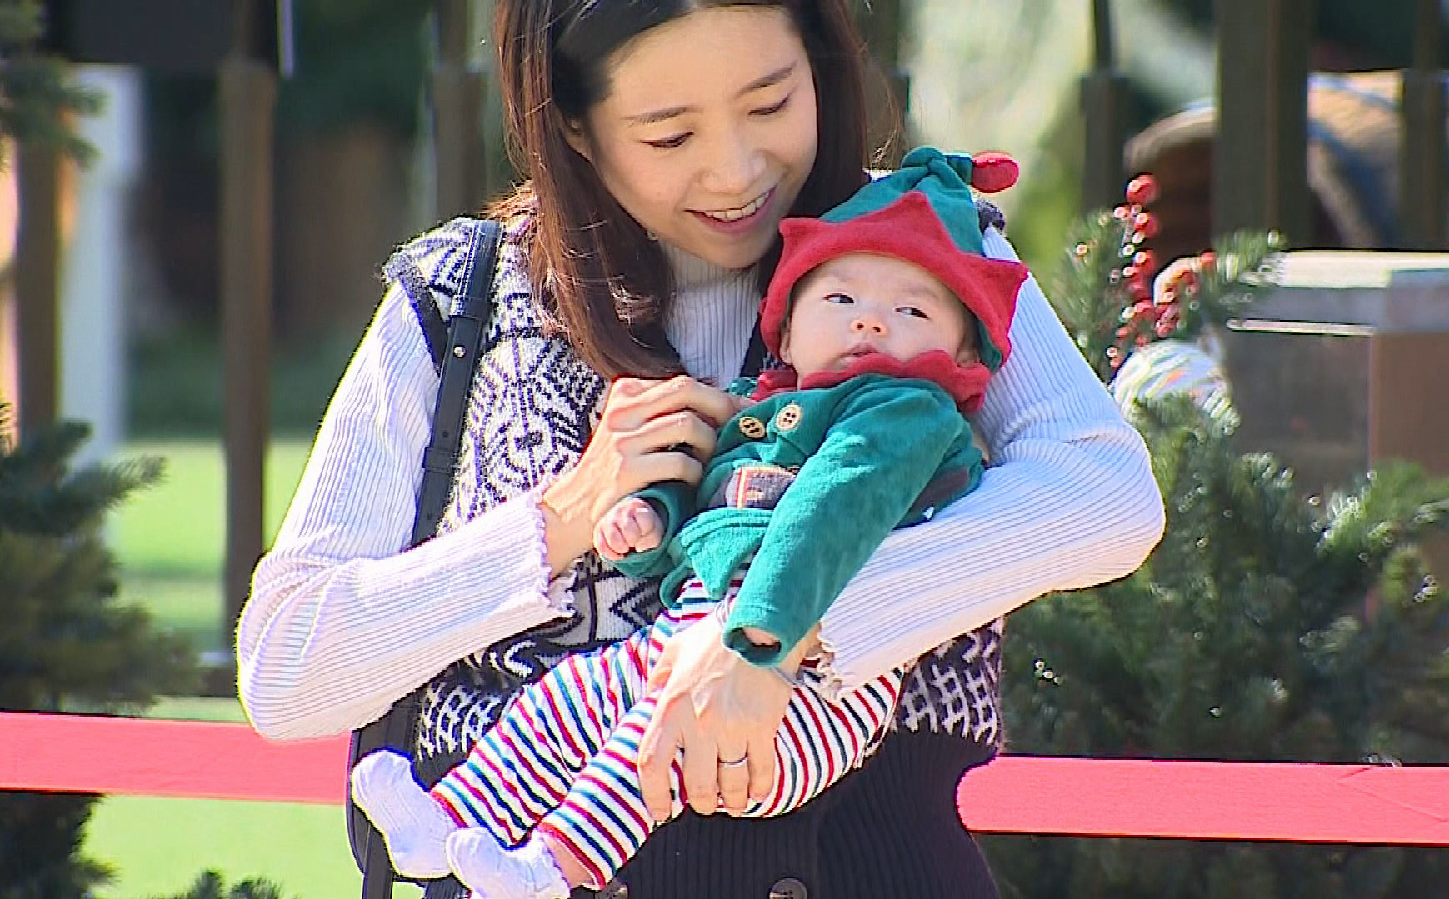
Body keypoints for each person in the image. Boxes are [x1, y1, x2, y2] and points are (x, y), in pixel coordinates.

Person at [236, 2, 1165, 897]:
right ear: (575, 126)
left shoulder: (920, 259)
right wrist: (555, 525)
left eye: (771, 103)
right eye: (669, 135)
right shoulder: (460, 301)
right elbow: (287, 672)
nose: (735, 170)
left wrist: (777, 632)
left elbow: (1106, 495)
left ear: (821, 66)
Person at [347, 146, 1031, 899]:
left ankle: (552, 866)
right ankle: (450, 815)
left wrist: (759, 636)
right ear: (790, 327)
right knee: (572, 699)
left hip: (824, 688)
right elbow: (713, 495)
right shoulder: (768, 408)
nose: (871, 318)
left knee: (648, 743)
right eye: (839, 299)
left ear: (962, 355)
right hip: (698, 630)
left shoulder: (905, 411)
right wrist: (646, 523)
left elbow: (830, 506)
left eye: (912, 310)